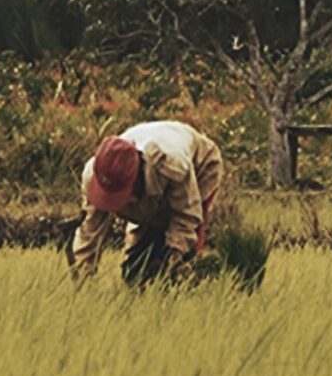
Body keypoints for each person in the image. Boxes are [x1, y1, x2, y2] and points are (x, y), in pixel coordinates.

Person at [69, 119, 226, 284]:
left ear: (134, 179)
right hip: (152, 176)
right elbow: (90, 231)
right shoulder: (95, 174)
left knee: (175, 255)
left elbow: (186, 217)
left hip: (199, 166)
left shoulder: (171, 166)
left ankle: (199, 280)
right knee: (135, 270)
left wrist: (172, 258)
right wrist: (82, 280)